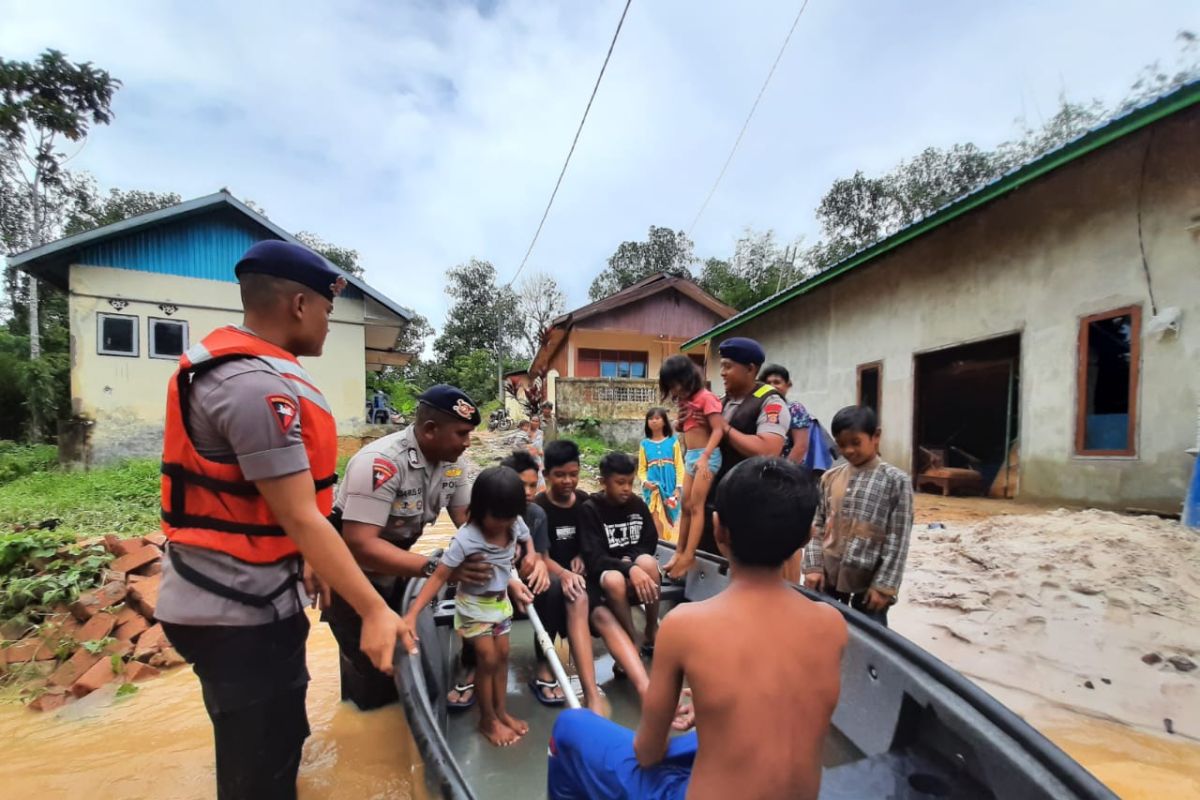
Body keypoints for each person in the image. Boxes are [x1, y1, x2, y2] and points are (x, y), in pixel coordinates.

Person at [156, 240, 417, 800]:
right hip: (233, 610)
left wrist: (308, 564)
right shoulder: (252, 387)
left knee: (282, 742)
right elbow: (301, 515)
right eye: (327, 309)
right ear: (299, 304)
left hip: (261, 600)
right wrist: (373, 609)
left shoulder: (268, 374)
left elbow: (280, 507)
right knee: (258, 773)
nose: (328, 322)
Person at [548, 457, 847, 800]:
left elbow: (648, 753)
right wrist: (710, 709)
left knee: (570, 729)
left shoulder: (684, 624)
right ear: (808, 536)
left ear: (718, 530)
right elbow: (772, 689)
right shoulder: (831, 623)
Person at [324, 384, 506, 711]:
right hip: (351, 577)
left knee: (403, 659)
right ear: (430, 430)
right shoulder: (381, 464)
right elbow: (360, 545)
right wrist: (439, 568)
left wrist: (508, 553)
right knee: (371, 678)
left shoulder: (454, 464)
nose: (468, 443)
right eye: (462, 434)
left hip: (397, 568)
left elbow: (469, 522)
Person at [403, 467, 536, 747]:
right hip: (473, 605)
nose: (502, 525)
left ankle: (501, 712)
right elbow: (439, 575)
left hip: (500, 604)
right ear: (479, 509)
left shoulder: (514, 523)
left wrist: (531, 554)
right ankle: (487, 720)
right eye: (496, 518)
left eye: (508, 518)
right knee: (486, 659)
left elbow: (526, 538)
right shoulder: (467, 538)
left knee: (501, 657)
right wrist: (412, 615)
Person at [803, 405, 914, 627]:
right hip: (828, 579)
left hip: (869, 586)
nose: (849, 451)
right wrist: (813, 567)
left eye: (855, 442)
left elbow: (898, 540)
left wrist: (884, 585)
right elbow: (817, 524)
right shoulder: (829, 478)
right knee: (826, 634)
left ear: (876, 436)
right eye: (842, 444)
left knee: (871, 641)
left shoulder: (896, 481)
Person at [692, 337, 791, 559]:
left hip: (747, 508)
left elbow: (768, 449)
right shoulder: (720, 402)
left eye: (728, 366)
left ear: (750, 368)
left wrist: (724, 428)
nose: (722, 372)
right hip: (712, 503)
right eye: (722, 366)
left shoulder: (770, 402)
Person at [532, 440, 606, 711]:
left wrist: (583, 557)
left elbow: (593, 542)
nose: (568, 481)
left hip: (579, 576)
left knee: (590, 593)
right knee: (550, 591)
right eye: (560, 475)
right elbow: (540, 558)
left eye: (573, 474)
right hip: (549, 573)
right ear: (546, 475)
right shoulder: (539, 509)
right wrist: (563, 573)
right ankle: (544, 665)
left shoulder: (585, 503)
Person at [579, 452, 661, 696]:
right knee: (615, 579)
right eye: (620, 483)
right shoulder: (590, 510)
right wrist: (627, 567)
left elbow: (650, 540)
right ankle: (630, 637)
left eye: (630, 482)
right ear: (604, 482)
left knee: (647, 561)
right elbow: (594, 558)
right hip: (606, 574)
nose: (626, 489)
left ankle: (650, 630)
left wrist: (633, 561)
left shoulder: (637, 504)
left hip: (634, 569)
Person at [658, 355, 725, 580]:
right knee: (684, 505)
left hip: (708, 456)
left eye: (678, 383)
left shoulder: (707, 398)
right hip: (692, 457)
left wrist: (705, 456)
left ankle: (689, 555)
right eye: (671, 386)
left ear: (689, 377)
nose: (675, 390)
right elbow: (686, 427)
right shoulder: (686, 402)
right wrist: (679, 423)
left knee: (696, 506)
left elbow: (718, 429)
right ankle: (679, 551)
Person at [758, 363, 836, 475]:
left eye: (777, 382)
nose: (772, 386)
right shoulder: (762, 409)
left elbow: (800, 446)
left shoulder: (794, 409)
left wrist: (783, 474)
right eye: (768, 383)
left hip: (787, 472)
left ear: (787, 385)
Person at [637, 408, 684, 542]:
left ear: (664, 421)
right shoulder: (644, 444)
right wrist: (645, 482)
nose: (654, 421)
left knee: (672, 521)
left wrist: (678, 487)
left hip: (671, 489)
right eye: (651, 419)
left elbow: (679, 466)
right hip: (653, 489)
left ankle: (670, 549)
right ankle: (660, 549)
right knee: (656, 520)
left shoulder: (673, 441)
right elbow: (641, 469)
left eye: (657, 418)